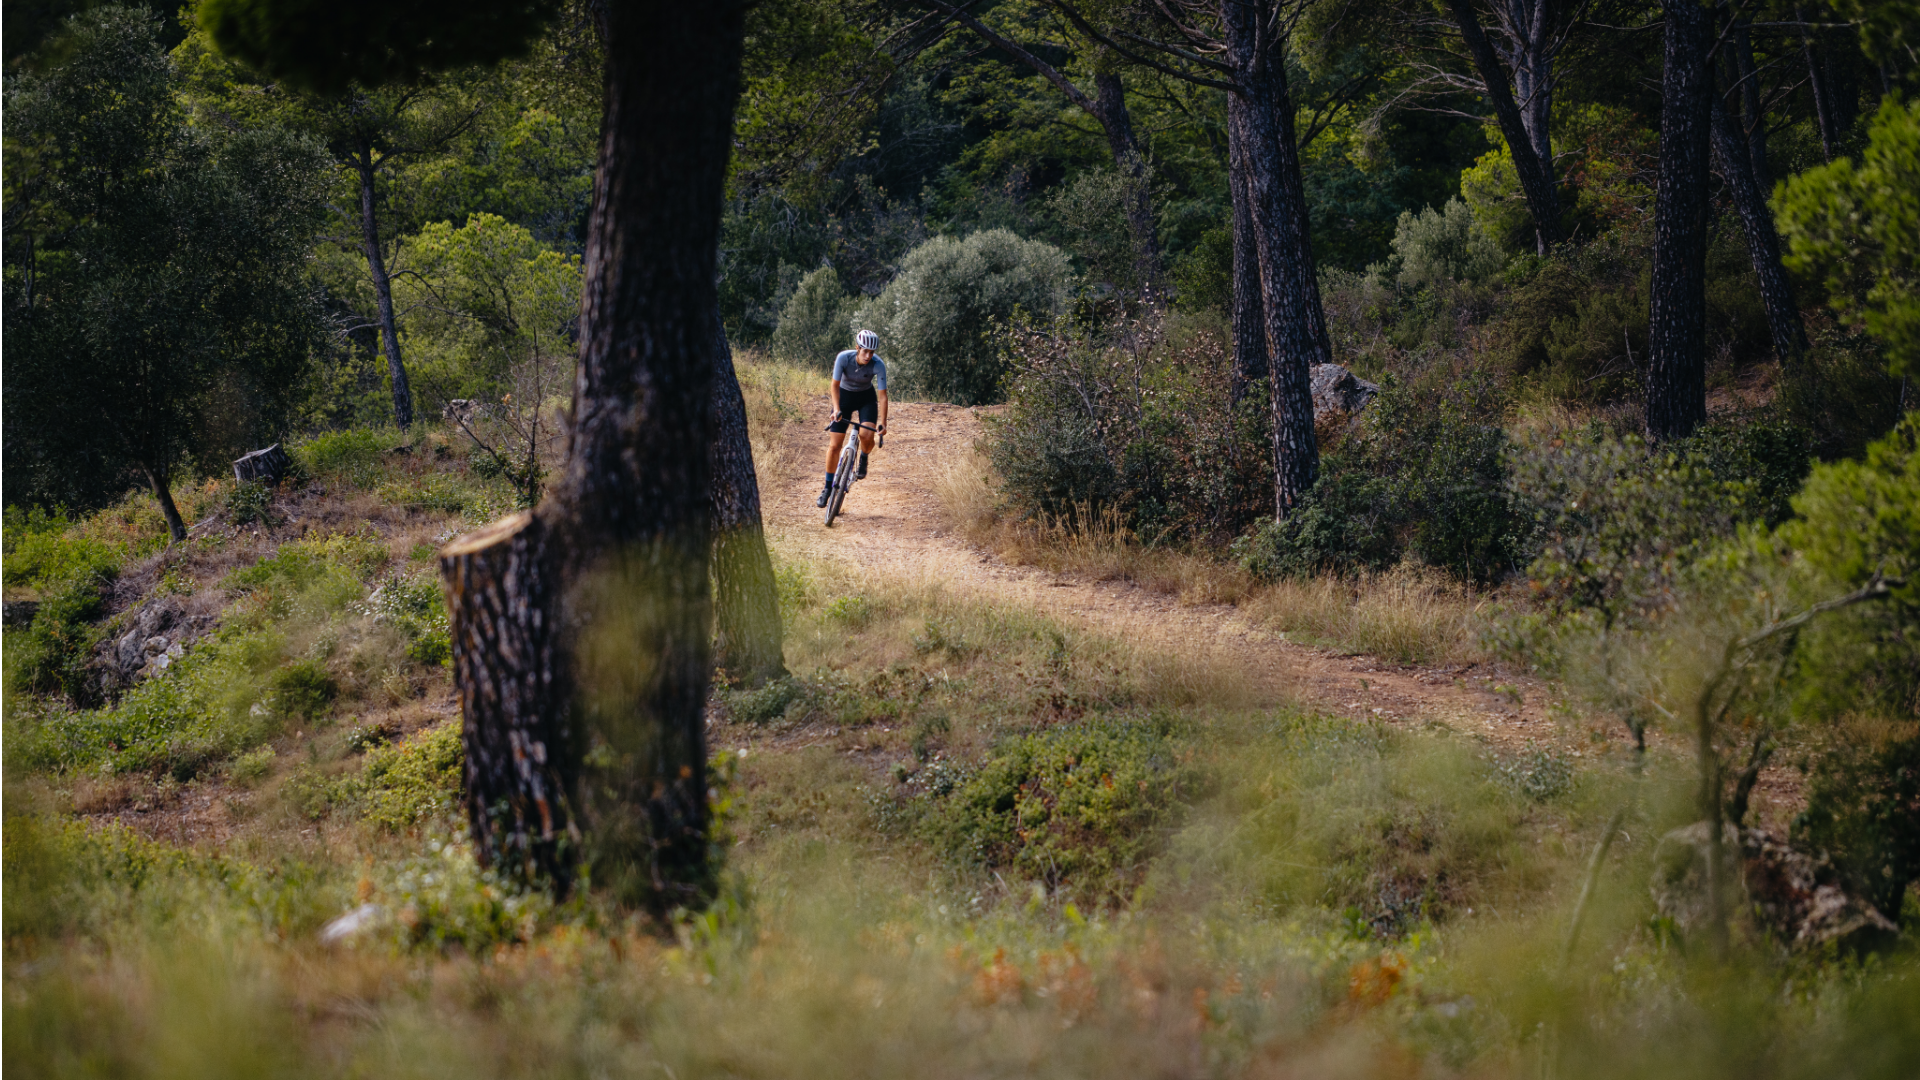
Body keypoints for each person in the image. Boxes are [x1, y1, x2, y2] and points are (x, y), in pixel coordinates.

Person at [818, 329, 890, 508]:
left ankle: (864, 456)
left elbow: (882, 396)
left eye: (871, 352)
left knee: (866, 435)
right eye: (865, 351)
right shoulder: (843, 358)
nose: (868, 356)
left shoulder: (878, 364)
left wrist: (884, 423)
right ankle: (827, 488)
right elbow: (834, 386)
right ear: (857, 347)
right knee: (834, 445)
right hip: (844, 397)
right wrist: (836, 409)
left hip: (866, 398)